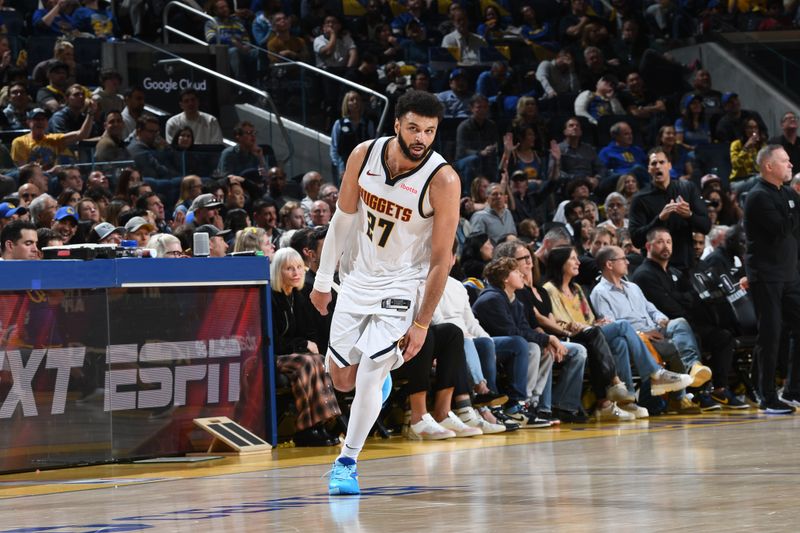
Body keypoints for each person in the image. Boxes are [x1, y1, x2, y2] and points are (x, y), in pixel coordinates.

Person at [309, 90, 460, 495]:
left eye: (429, 131)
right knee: (341, 380)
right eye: (413, 128)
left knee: (369, 376)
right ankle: (379, 380)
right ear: (396, 125)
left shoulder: (443, 180)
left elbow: (441, 260)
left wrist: (422, 323)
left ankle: (347, 462)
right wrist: (323, 281)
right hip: (357, 277)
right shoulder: (363, 154)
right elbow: (341, 221)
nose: (421, 138)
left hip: (402, 282)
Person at [590, 245, 711, 414]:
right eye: (623, 259)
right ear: (609, 264)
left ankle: (693, 365)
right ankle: (675, 396)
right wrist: (642, 334)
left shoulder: (633, 287)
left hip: (653, 330)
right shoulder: (599, 292)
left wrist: (661, 319)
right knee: (670, 348)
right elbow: (612, 325)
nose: (627, 262)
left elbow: (651, 309)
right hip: (635, 337)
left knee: (680, 323)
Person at [741, 145, 800, 413]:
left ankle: (793, 389)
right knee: (770, 334)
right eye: (785, 161)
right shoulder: (757, 197)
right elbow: (780, 229)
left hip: (789, 274)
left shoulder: (787, 193)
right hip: (766, 275)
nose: (790, 165)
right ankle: (766, 397)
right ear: (768, 166)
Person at [628, 147, 711, 273]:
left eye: (662, 162)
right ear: (649, 169)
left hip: (686, 265)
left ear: (669, 165)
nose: (658, 166)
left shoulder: (687, 188)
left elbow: (706, 226)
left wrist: (689, 215)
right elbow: (636, 240)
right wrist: (659, 219)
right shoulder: (640, 198)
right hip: (657, 269)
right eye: (654, 163)